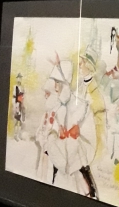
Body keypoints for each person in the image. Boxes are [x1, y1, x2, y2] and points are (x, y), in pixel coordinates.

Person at [42, 56, 99, 199]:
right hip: (61, 159)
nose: (55, 87)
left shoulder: (78, 102)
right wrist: (55, 133)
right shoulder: (57, 104)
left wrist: (74, 132)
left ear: (64, 83)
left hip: (76, 157)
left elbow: (85, 84)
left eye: (58, 83)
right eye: (55, 83)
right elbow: (52, 127)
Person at [12, 73, 25, 141]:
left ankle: (20, 135)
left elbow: (22, 96)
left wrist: (22, 104)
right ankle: (15, 135)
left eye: (20, 78)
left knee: (21, 121)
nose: (19, 79)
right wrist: (16, 106)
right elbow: (15, 97)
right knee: (16, 120)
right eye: (18, 78)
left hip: (20, 104)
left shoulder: (22, 87)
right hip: (16, 104)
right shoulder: (15, 87)